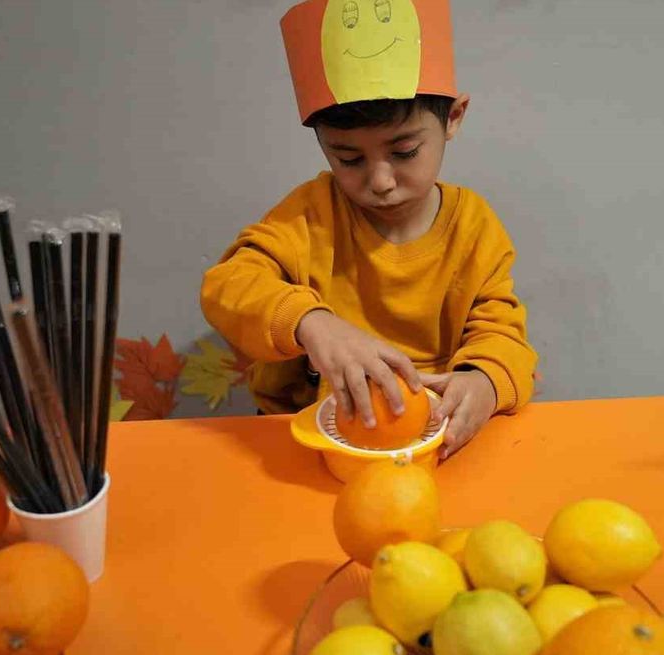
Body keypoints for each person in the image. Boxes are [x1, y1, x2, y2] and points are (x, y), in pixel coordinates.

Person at [200, 0, 536, 458]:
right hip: (308, 433)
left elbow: (503, 334)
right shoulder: (310, 215)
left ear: (453, 118)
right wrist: (311, 323)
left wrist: (485, 381)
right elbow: (227, 286)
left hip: (435, 437)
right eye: (349, 158)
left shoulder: (474, 227)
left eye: (404, 152)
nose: (380, 181)